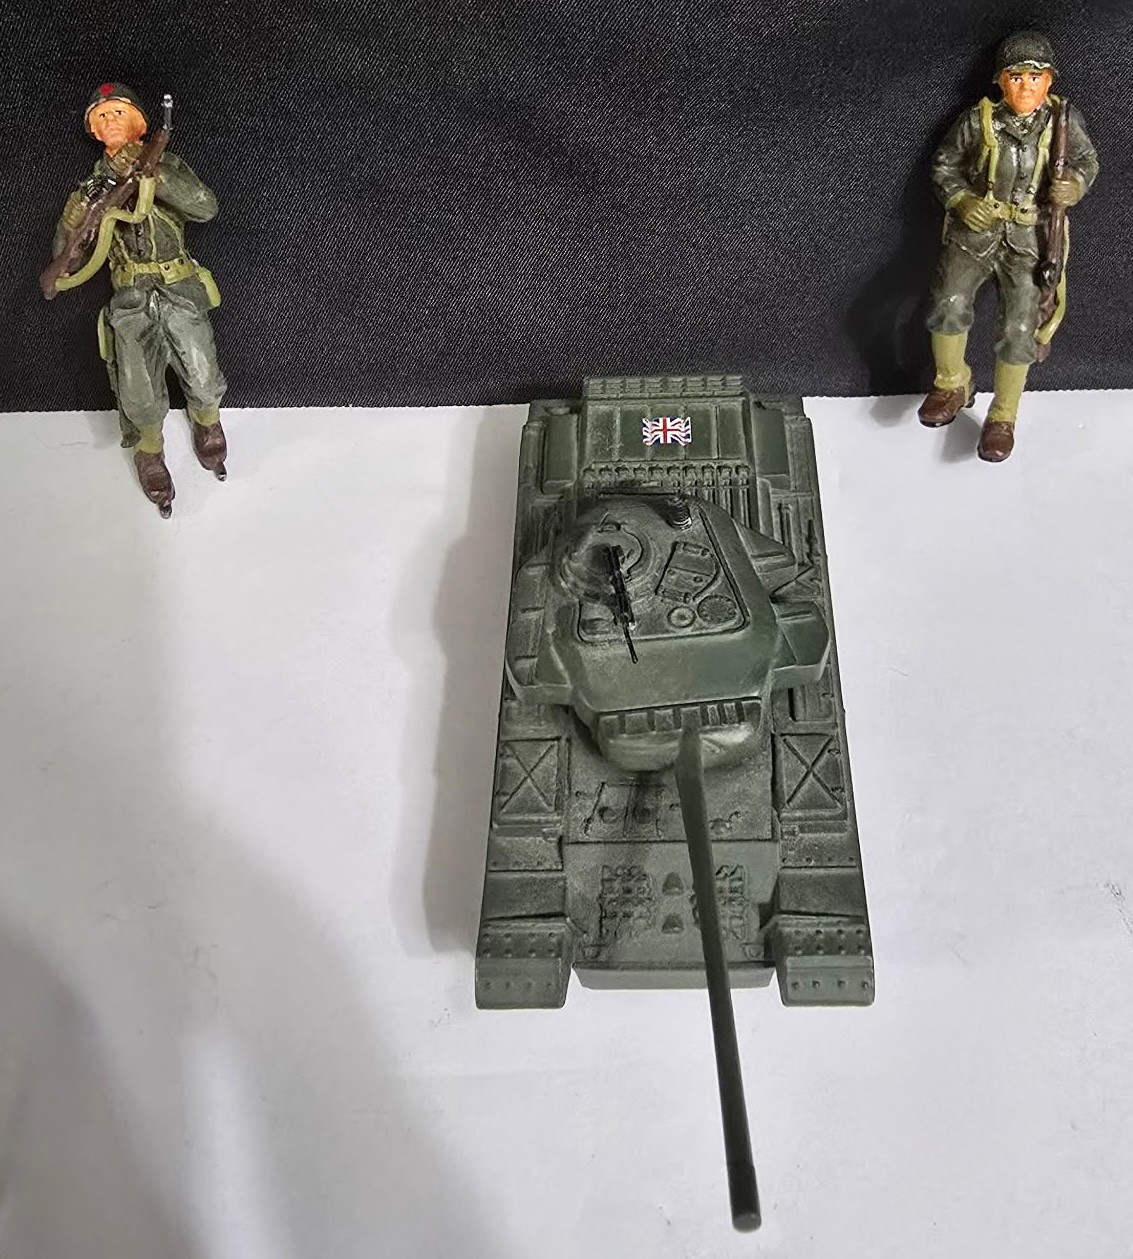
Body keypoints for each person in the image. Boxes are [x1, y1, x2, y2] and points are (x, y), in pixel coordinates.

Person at [918, 31, 1098, 461]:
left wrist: (1074, 185)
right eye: (1016, 78)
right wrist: (962, 201)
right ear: (1001, 81)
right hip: (975, 234)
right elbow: (944, 165)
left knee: (1020, 330)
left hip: (1030, 240)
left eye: (1035, 78)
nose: (1026, 87)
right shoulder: (977, 121)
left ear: (1049, 82)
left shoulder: (1062, 123)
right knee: (947, 303)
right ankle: (952, 383)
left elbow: (1087, 161)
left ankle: (1003, 416)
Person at [52, 82, 227, 515]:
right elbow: (67, 259)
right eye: (102, 116)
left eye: (119, 112)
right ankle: (149, 449)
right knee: (136, 388)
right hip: (130, 299)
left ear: (140, 124)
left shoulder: (165, 165)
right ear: (94, 131)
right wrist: (79, 216)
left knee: (202, 371)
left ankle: (207, 422)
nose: (111, 120)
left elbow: (204, 206)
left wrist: (155, 175)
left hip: (179, 287)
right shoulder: (92, 189)